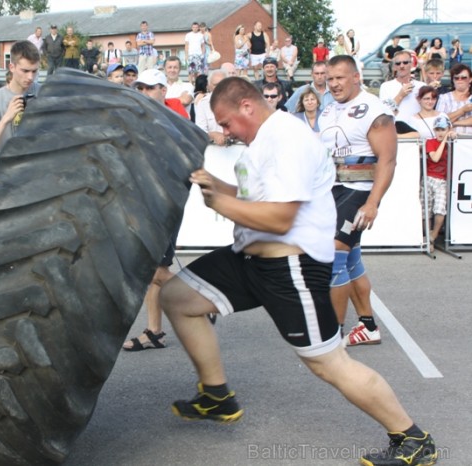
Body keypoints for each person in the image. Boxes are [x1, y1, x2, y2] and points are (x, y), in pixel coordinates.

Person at [159, 74, 437, 466]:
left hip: (291, 265)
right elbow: (251, 197)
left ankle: (414, 440)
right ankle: (217, 395)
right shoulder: (256, 145)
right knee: (177, 296)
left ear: (247, 107)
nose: (224, 131)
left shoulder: (287, 139)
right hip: (250, 258)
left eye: (225, 123)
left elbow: (278, 217)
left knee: (329, 364)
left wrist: (219, 205)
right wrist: (211, 183)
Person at [319, 55, 397, 346]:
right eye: (330, 78)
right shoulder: (328, 110)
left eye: (340, 77)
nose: (335, 83)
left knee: (332, 256)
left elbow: (388, 160)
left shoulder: (374, 110)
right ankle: (368, 326)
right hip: (333, 191)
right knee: (350, 259)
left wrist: (373, 202)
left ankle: (333, 334)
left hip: (360, 191)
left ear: (355, 77)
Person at [122, 68, 188, 352]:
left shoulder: (175, 119)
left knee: (150, 268)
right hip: (148, 200)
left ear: (163, 89)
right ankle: (154, 331)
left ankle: (200, 298)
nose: (146, 93)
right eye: (142, 88)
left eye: (151, 88)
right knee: (156, 268)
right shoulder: (140, 118)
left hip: (165, 202)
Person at [0, 41, 40, 156]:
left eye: (34, 71)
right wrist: (6, 119)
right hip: (7, 171)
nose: (30, 77)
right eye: (25, 71)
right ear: (12, 67)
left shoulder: (43, 93)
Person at [423, 115, 454, 249]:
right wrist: (445, 140)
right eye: (438, 130)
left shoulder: (452, 142)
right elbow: (435, 158)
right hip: (429, 178)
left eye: (443, 130)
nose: (440, 133)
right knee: (426, 210)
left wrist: (452, 136)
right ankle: (427, 238)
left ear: (448, 129)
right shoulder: (430, 142)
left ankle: (433, 236)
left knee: (440, 209)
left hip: (443, 180)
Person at [379, 50, 425, 124]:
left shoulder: (421, 86)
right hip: (396, 130)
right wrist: (400, 96)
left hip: (418, 130)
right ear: (394, 67)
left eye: (405, 62)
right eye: (398, 63)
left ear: (411, 64)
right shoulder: (386, 86)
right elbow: (385, 113)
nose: (402, 66)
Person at [436, 63, 472, 135]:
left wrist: (454, 123)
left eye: (463, 77)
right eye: (456, 78)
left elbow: (446, 121)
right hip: (450, 141)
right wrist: (462, 110)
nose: (460, 80)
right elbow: (440, 121)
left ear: (470, 79)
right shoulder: (444, 98)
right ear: (453, 80)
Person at [194, 69, 227, 145]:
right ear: (209, 86)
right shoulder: (203, 104)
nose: (219, 88)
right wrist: (213, 135)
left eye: (222, 84)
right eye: (216, 85)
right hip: (212, 148)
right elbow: (200, 132)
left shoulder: (237, 102)